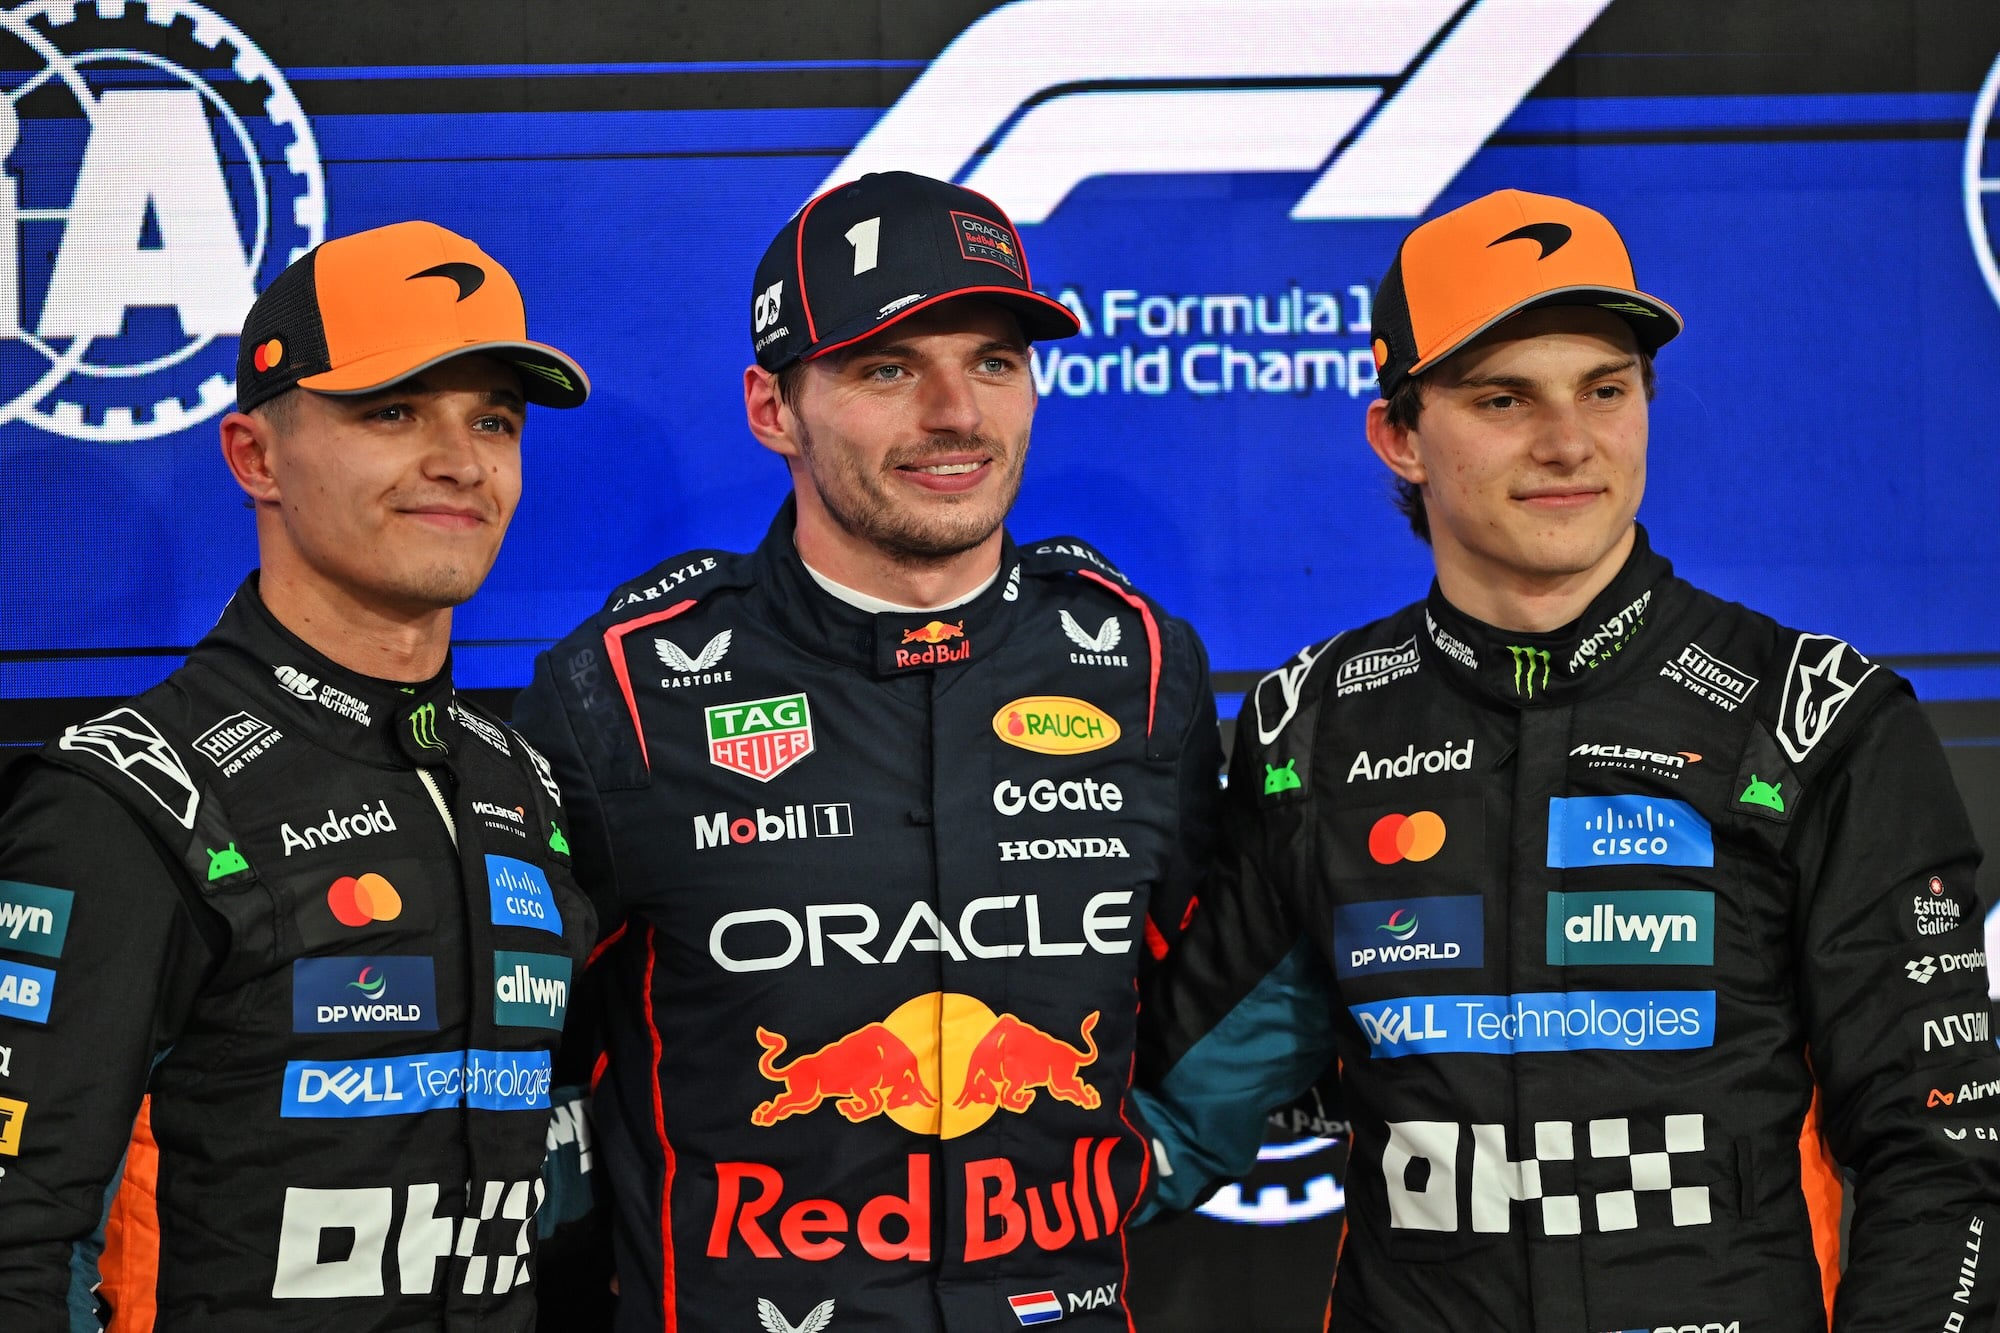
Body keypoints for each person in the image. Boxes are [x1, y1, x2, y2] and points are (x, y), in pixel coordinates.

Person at [1135, 188, 2000, 1330]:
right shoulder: (1313, 729)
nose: (1567, 442)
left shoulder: (1811, 714)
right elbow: (1175, 1116)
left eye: (1605, 389)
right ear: (1398, 434)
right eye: (1502, 398)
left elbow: (1938, 1152)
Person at [514, 171, 1221, 1331]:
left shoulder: (1144, 666)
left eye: (993, 360)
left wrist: (1161, 1160)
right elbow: (513, 1062)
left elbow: (1223, 990)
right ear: (771, 408)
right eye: (887, 369)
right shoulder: (624, 690)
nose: (956, 413)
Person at [0, 221, 597, 1330]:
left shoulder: (520, 780)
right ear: (254, 456)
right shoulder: (129, 797)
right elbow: (14, 1234)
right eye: (392, 411)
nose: (460, 460)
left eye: (494, 421)